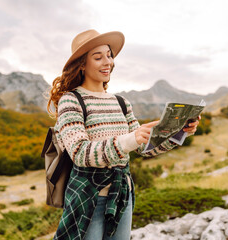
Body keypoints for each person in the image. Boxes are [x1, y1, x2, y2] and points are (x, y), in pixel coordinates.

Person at [47, 29, 199, 240]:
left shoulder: (121, 102)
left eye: (109, 55)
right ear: (82, 64)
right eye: (98, 57)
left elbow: (144, 149)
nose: (107, 62)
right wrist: (131, 138)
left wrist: (177, 133)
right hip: (89, 197)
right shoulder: (71, 101)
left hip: (122, 194)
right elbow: (80, 153)